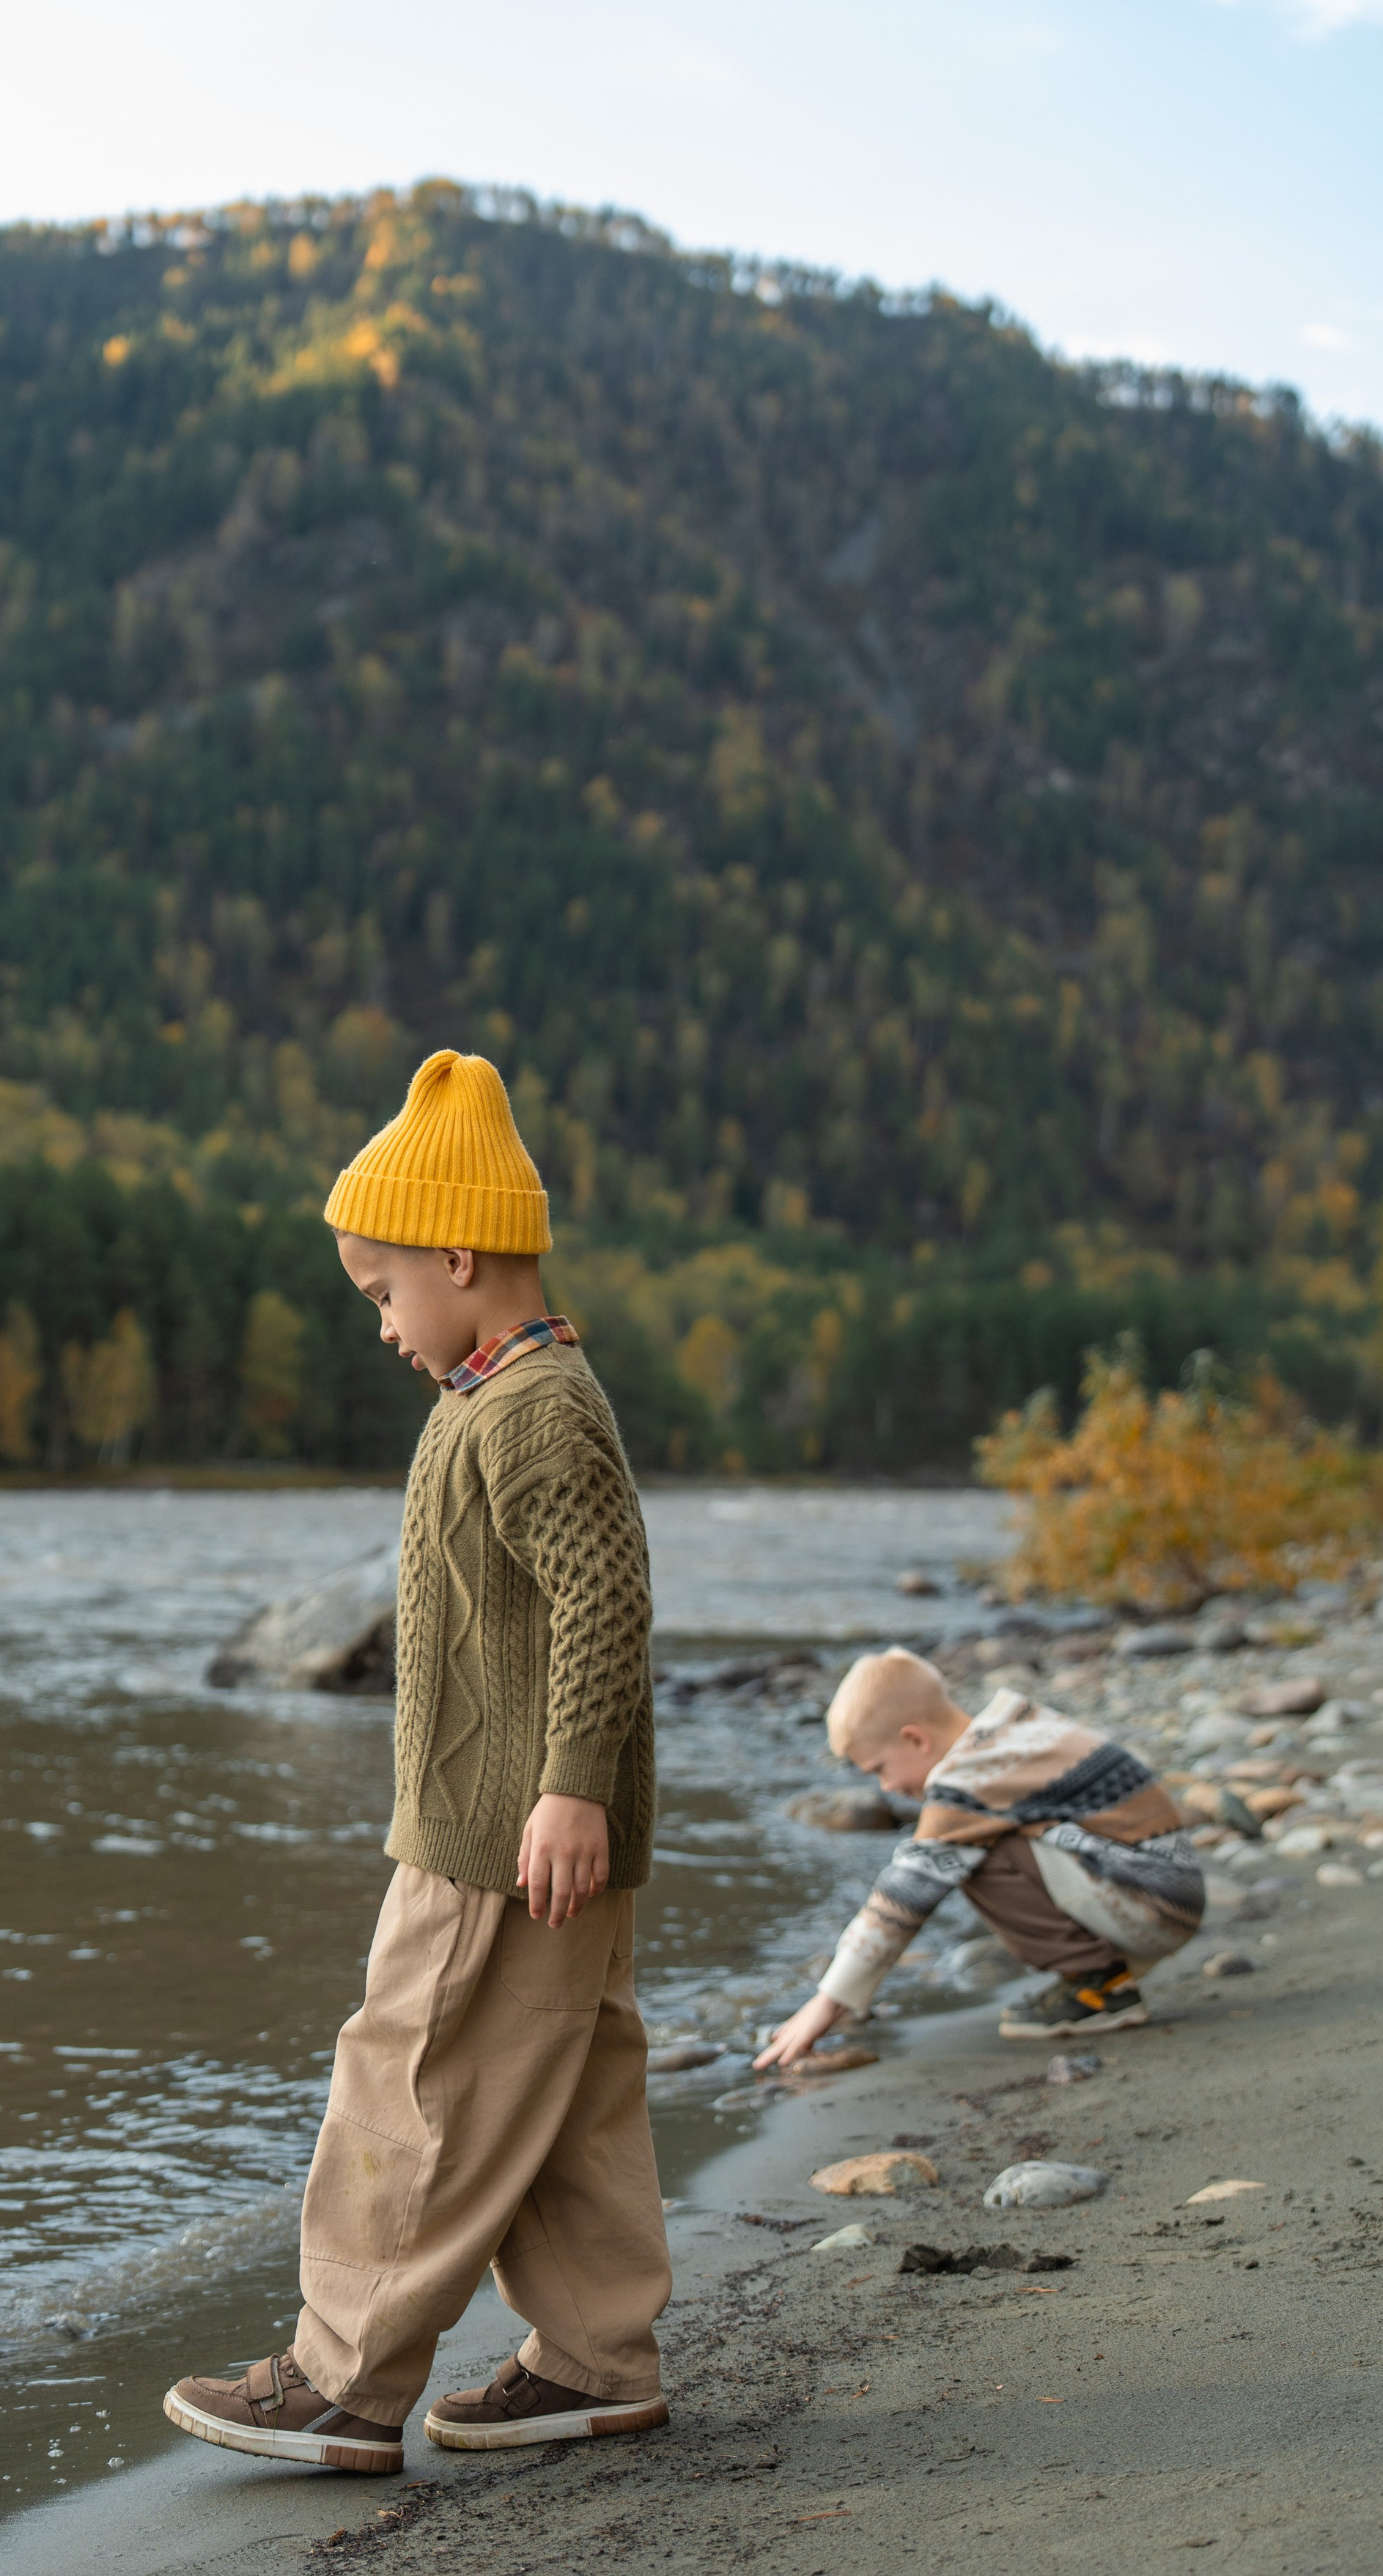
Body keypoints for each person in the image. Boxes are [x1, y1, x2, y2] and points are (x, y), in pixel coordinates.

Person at [163, 1049, 671, 2477]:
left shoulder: (532, 1411)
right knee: (562, 2092)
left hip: (500, 1835)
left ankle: (343, 2377)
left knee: (414, 2076)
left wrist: (566, 1785)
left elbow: (601, 1601)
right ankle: (592, 2359)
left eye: (383, 1292)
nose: (380, 1325)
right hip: (523, 1822)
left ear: (460, 1253)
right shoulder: (491, 1397)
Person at [756, 1646, 1205, 2070]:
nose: (886, 1788)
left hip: (1154, 1909)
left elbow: (906, 1889)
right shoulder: (1009, 1731)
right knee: (964, 1840)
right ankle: (1097, 1977)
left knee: (957, 1852)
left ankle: (1099, 1989)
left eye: (879, 1769)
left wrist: (829, 2000)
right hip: (1162, 1892)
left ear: (915, 1739)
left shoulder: (973, 1777)